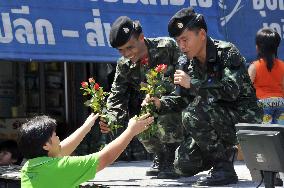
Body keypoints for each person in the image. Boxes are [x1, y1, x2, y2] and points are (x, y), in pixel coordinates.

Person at [143, 7, 263, 186]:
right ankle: (223, 153)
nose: (181, 46)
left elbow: (231, 91)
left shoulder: (227, 52)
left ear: (202, 34)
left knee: (191, 114)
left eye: (185, 39)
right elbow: (183, 99)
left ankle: (223, 168)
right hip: (213, 119)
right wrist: (161, 104)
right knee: (182, 164)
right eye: (178, 41)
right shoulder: (186, 63)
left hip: (243, 116)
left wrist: (192, 84)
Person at [99, 16, 184, 178]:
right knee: (138, 122)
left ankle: (173, 155)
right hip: (153, 108)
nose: (126, 54)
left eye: (130, 47)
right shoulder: (124, 65)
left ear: (141, 38)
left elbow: (188, 76)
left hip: (181, 108)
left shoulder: (167, 47)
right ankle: (161, 154)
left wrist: (164, 99)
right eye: (121, 50)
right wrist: (110, 118)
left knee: (164, 108)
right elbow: (117, 96)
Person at [18, 113, 154, 188]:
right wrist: (131, 131)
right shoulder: (61, 168)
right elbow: (105, 157)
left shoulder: (29, 167)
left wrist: (85, 128)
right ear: (46, 146)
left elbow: (61, 150)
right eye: (54, 135)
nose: (58, 137)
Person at [248, 28, 284, 125]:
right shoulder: (282, 65)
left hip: (262, 103)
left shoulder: (254, 66)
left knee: (266, 134)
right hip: (280, 102)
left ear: (258, 47)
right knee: (281, 133)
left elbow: (247, 88)